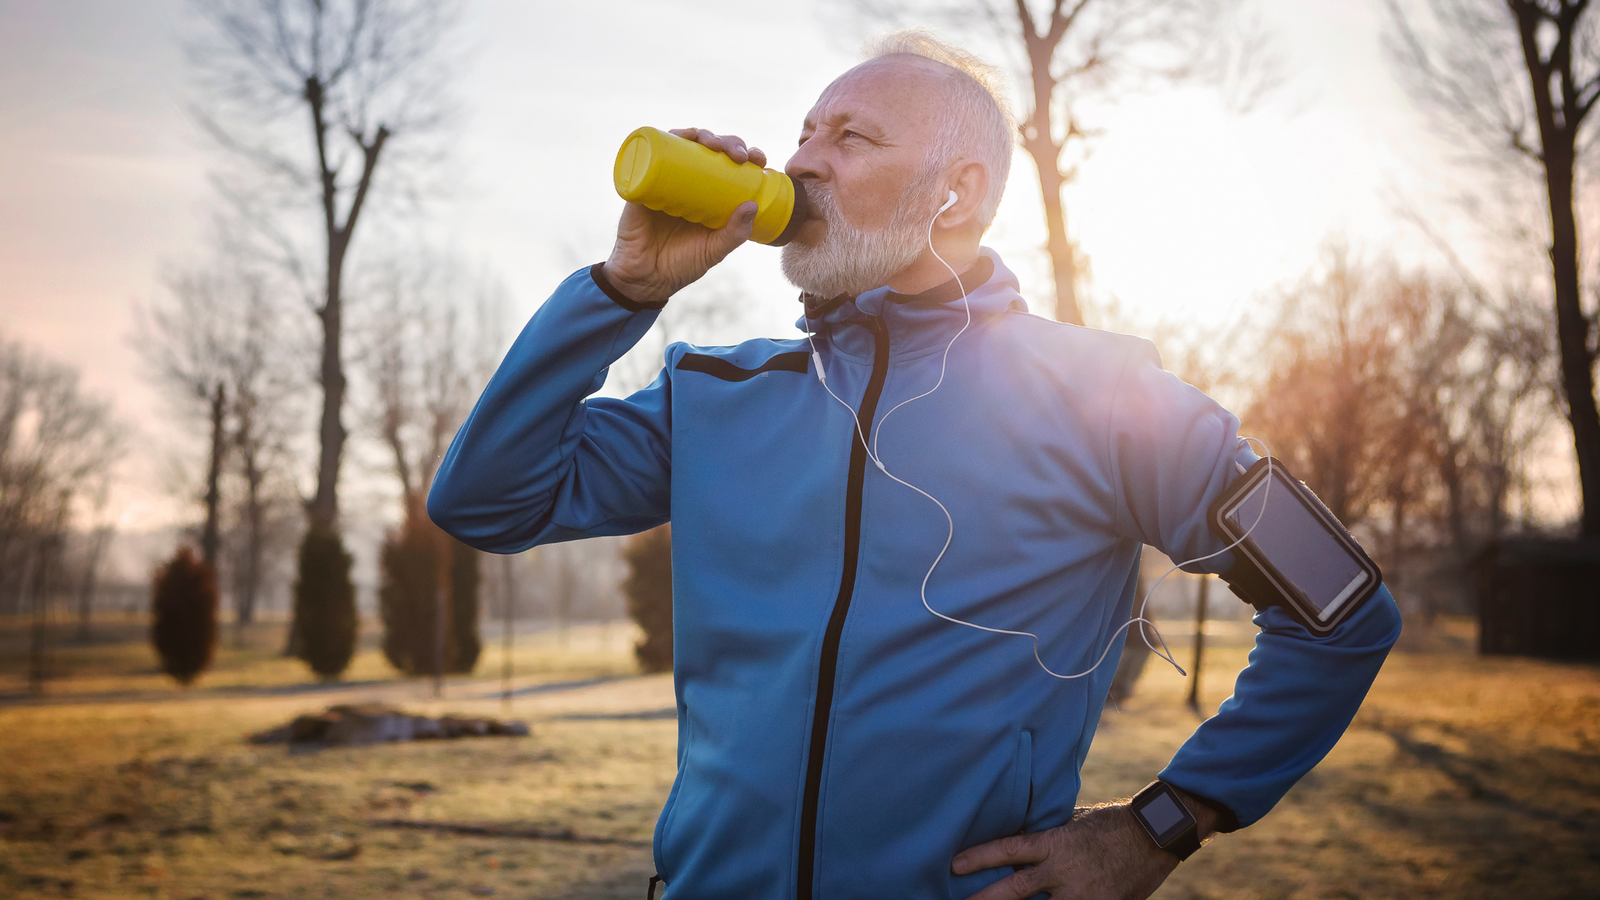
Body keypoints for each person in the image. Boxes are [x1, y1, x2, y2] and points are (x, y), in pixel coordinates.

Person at [429, 31, 1402, 900]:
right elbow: (485, 499)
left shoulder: (1103, 395)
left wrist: (1160, 827)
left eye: (849, 139)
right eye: (805, 132)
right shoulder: (717, 396)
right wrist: (620, 290)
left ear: (957, 189)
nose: (803, 161)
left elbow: (1344, 610)